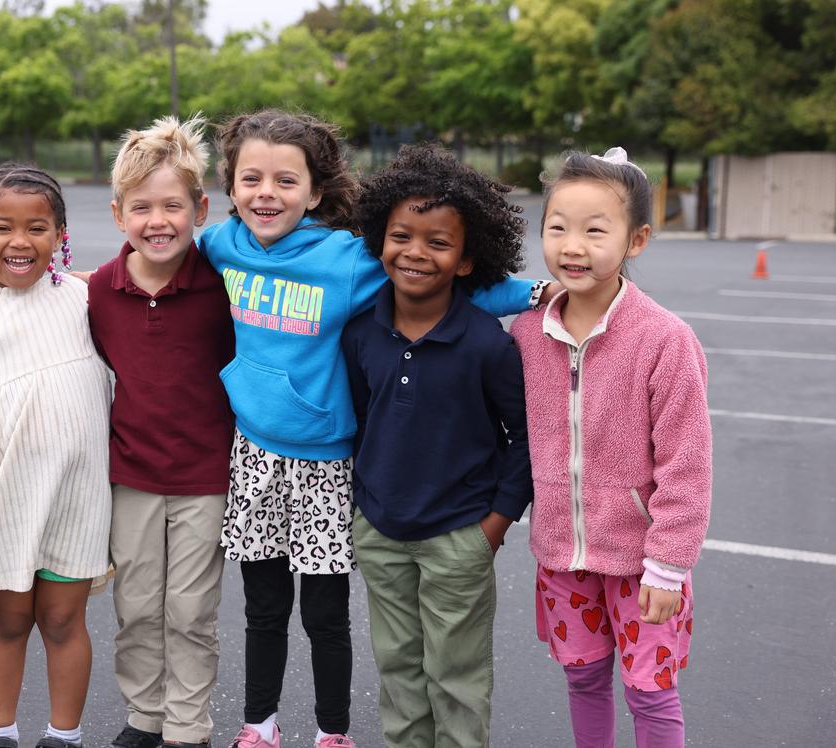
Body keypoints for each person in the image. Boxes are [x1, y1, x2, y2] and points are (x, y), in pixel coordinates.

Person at [196, 110, 550, 748]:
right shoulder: (221, 244)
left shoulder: (348, 257)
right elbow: (162, 259)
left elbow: (449, 281)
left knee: (335, 618)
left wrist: (540, 294)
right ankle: (260, 725)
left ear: (315, 192)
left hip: (327, 463)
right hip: (253, 453)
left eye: (285, 179)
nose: (265, 193)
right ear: (231, 185)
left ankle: (334, 732)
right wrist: (83, 282)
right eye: (251, 178)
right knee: (270, 609)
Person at [510, 148, 712, 748]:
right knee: (585, 679)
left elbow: (687, 465)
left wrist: (669, 566)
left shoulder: (664, 340)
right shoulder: (526, 331)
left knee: (651, 691)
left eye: (596, 231)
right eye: (557, 227)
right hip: (561, 555)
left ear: (637, 240)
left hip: (644, 560)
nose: (573, 245)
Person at [341, 144, 534, 748]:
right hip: (380, 530)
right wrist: (362, 505)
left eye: (438, 243)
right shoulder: (360, 332)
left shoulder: (487, 345)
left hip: (459, 536)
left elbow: (523, 437)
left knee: (456, 677)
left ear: (468, 259)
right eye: (402, 235)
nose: (416, 253)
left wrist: (495, 524)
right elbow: (363, 418)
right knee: (398, 671)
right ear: (380, 240)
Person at [0, 164, 112, 748]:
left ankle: (65, 735)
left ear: (60, 233)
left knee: (63, 620)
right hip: (4, 498)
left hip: (77, 495)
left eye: (37, 228)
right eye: (2, 227)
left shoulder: (89, 298)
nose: (19, 241)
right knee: (8, 619)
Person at [87, 116, 235, 748]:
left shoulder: (223, 287)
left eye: (173, 205)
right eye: (141, 207)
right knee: (139, 609)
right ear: (119, 215)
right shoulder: (99, 290)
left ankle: (186, 728)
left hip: (206, 475)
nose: (158, 221)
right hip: (133, 477)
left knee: (191, 613)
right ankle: (144, 718)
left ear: (200, 208)